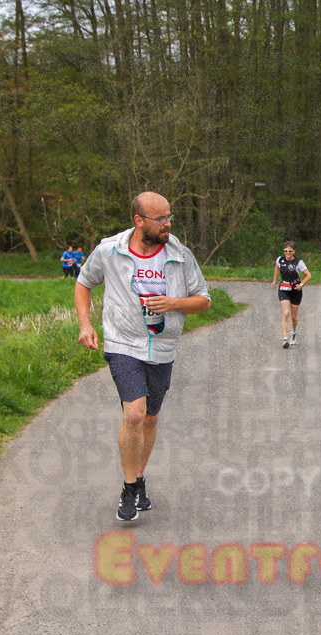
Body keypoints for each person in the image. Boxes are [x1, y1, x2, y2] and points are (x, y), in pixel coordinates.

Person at [74, 192, 211, 521]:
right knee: (134, 413)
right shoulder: (110, 250)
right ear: (139, 220)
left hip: (163, 347)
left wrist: (173, 303)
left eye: (169, 217)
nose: (168, 224)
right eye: (160, 218)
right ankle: (129, 486)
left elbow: (203, 300)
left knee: (150, 417)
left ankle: (139, 478)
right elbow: (83, 283)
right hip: (123, 344)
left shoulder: (180, 254)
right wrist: (85, 325)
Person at [271, 241, 311, 349]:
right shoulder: (280, 260)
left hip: (295, 290)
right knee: (286, 313)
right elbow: (277, 267)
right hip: (283, 289)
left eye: (289, 251)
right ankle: (285, 339)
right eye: (285, 251)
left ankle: (294, 332)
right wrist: (274, 280)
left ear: (294, 251)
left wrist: (301, 284)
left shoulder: (299, 262)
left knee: (293, 316)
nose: (287, 253)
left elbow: (308, 275)